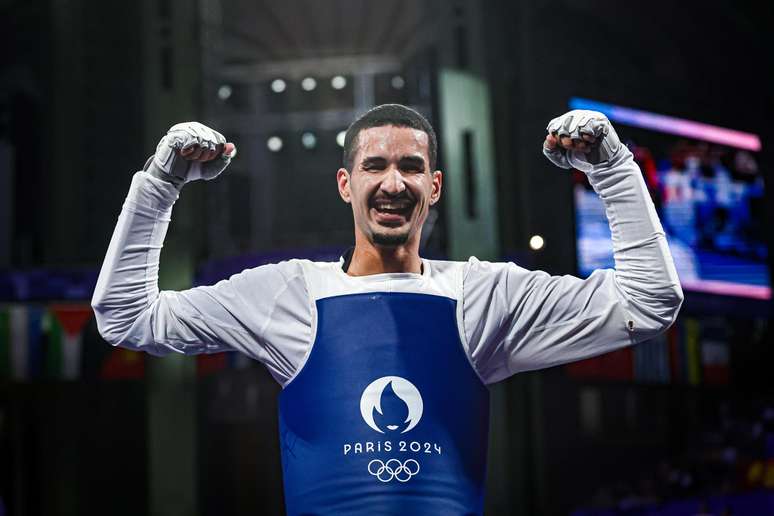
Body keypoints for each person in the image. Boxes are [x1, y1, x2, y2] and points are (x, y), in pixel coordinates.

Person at [91, 104, 683, 515]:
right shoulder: (287, 294)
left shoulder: (484, 296)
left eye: (411, 167)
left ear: (437, 186)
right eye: (375, 166)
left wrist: (612, 170)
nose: (393, 183)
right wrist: (160, 183)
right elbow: (125, 316)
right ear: (346, 184)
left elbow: (649, 302)